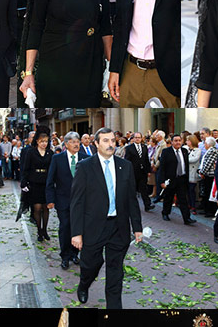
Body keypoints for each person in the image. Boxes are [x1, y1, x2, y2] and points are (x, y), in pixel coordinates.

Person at [70, 126, 142, 309]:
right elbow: (77, 202)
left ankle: (114, 308)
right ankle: (84, 283)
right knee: (90, 265)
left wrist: (137, 227)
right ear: (96, 144)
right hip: (93, 227)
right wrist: (76, 233)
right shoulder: (85, 166)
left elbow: (131, 199)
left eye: (112, 140)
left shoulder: (125, 166)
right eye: (105, 141)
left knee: (115, 271)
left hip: (118, 227)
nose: (110, 144)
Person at [46, 130, 87, 268]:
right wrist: (50, 199)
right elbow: (50, 180)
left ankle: (75, 253)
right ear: (66, 144)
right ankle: (64, 255)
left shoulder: (85, 157)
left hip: (81, 201)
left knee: (77, 227)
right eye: (73, 142)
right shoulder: (57, 159)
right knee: (65, 226)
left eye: (78, 142)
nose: (76, 145)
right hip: (63, 200)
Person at [20, 126, 54, 243]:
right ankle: (39, 230)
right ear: (37, 141)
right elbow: (25, 168)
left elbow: (53, 168)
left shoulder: (51, 153)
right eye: (41, 141)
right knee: (37, 207)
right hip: (34, 182)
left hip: (46, 183)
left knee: (46, 207)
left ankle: (45, 230)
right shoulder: (31, 152)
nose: (44, 144)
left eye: (46, 141)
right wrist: (24, 182)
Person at [159, 134, 194, 225]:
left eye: (179, 140)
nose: (178, 142)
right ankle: (165, 213)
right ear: (172, 142)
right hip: (170, 179)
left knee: (183, 199)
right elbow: (162, 167)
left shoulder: (184, 151)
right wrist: (162, 181)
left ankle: (187, 218)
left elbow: (185, 165)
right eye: (176, 140)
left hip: (181, 179)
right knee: (168, 197)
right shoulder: (166, 152)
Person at [124, 133, 154, 212]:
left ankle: (147, 205)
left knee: (144, 189)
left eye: (139, 137)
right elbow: (127, 160)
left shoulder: (144, 147)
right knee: (133, 190)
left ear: (141, 138)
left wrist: (148, 171)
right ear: (133, 138)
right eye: (136, 137)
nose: (137, 139)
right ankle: (132, 206)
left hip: (143, 172)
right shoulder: (129, 148)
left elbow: (146, 159)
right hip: (133, 172)